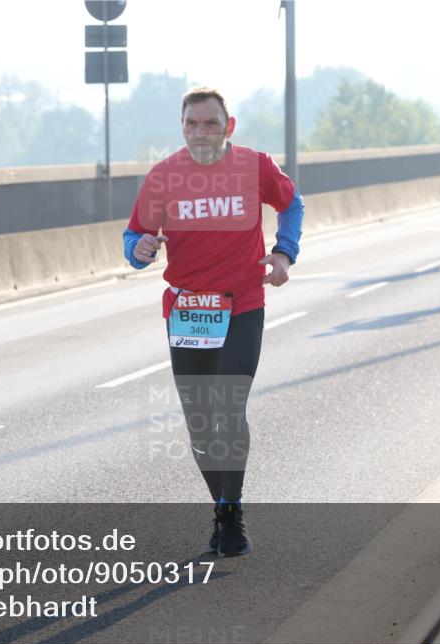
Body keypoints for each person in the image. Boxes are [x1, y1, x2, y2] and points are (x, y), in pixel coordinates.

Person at [123, 87, 304, 558]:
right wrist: (139, 249)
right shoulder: (164, 176)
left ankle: (232, 509)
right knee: (201, 425)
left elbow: (291, 204)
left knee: (228, 406)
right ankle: (221, 506)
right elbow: (135, 236)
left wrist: (284, 253)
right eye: (191, 124)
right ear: (181, 127)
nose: (200, 132)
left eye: (210, 123)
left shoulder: (254, 166)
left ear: (229, 126)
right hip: (187, 311)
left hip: (241, 304)